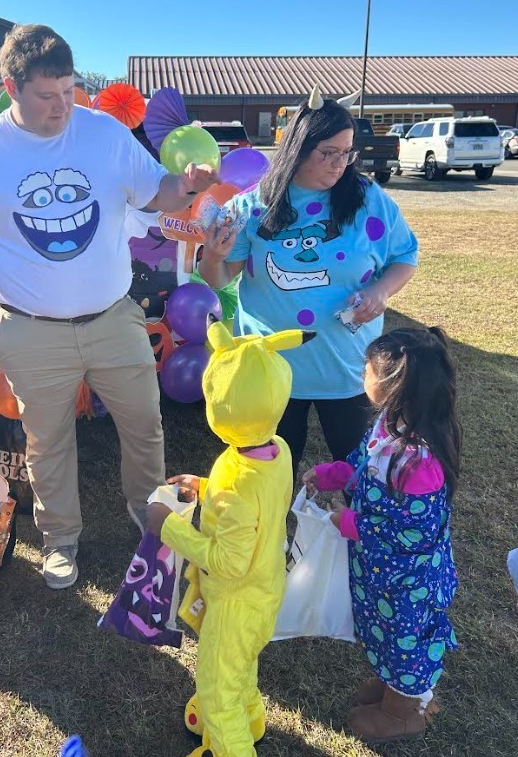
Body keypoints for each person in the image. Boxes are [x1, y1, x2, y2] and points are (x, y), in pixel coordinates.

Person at [0, 24, 217, 590]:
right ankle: (61, 539)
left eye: (68, 90)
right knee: (47, 441)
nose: (62, 106)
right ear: (11, 86)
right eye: (47, 95)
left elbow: (155, 193)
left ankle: (152, 517)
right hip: (30, 331)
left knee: (145, 425)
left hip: (114, 318)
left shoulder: (104, 133)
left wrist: (185, 187)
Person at [198, 86, 418, 480]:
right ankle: (272, 541)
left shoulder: (369, 199)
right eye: (327, 153)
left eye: (347, 152)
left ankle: (358, 541)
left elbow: (405, 256)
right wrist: (214, 255)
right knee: (269, 479)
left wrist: (380, 291)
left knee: (364, 478)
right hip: (271, 370)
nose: (339, 164)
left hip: (350, 368)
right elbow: (219, 279)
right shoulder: (253, 205)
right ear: (298, 148)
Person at [147, 320, 311, 757]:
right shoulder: (275, 448)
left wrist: (168, 526)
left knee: (217, 693)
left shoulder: (239, 478)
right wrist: (204, 487)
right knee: (240, 666)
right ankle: (252, 715)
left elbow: (228, 560)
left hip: (236, 599)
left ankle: (232, 745)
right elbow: (253, 508)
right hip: (265, 589)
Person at [304, 326, 461, 742]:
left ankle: (405, 710)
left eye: (367, 370)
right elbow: (360, 462)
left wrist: (349, 524)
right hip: (381, 572)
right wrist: (329, 474)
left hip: (409, 581)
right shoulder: (388, 426)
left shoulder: (420, 464)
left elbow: (410, 534)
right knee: (383, 628)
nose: (362, 375)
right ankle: (395, 686)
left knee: (406, 639)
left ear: (395, 386)